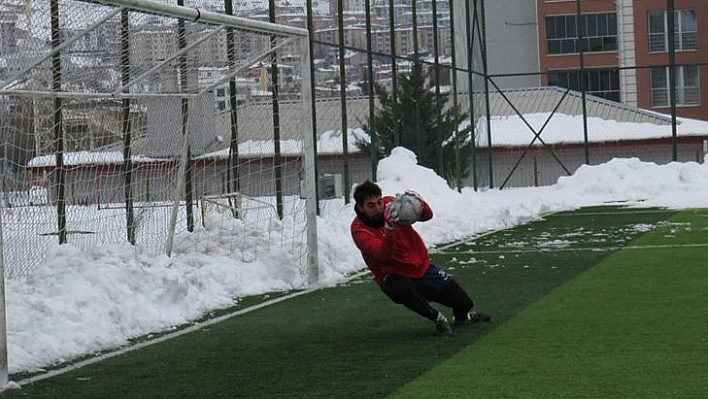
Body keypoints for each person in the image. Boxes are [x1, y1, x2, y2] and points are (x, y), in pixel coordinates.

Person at [350, 179, 491, 336]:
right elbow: (385, 255)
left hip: (420, 267)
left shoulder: (392, 204)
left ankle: (463, 318)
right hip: (393, 275)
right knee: (398, 287)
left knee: (464, 303)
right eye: (371, 205)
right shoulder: (359, 231)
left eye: (379, 203)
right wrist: (389, 228)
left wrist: (419, 203)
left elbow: (427, 216)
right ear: (361, 208)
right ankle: (437, 318)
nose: (378, 208)